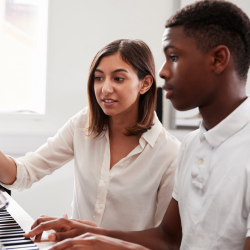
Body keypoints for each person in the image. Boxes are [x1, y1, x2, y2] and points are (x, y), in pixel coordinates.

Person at [24, 1, 250, 250]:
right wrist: (90, 233)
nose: (163, 72)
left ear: (218, 59)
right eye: (99, 78)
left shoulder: (185, 151)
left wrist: (108, 243)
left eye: (173, 57)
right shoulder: (193, 145)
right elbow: (168, 239)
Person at [0, 39, 180, 233]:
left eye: (118, 78)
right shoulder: (83, 123)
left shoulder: (170, 154)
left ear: (144, 84)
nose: (105, 88)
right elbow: (23, 174)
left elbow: (165, 239)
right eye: (98, 78)